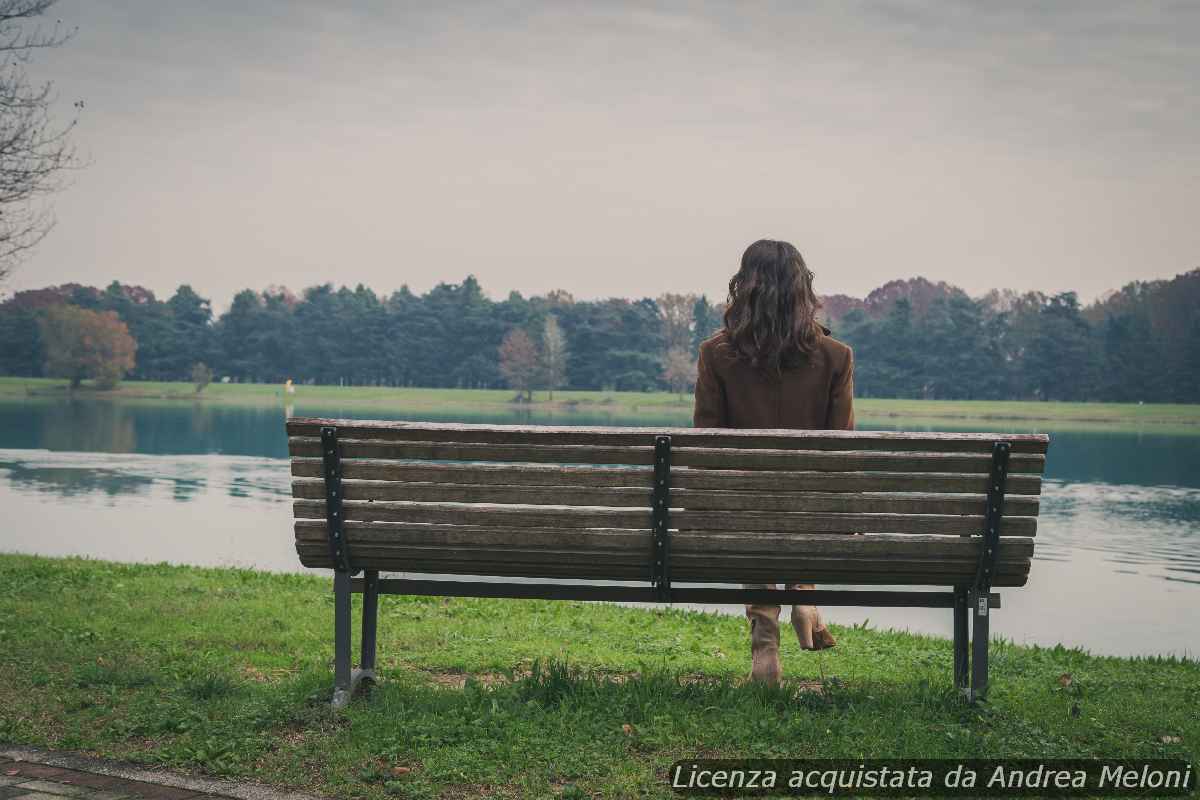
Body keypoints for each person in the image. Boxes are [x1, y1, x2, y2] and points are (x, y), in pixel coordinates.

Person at [692, 239, 855, 685]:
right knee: (801, 501)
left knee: (751, 506)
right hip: (810, 518)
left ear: (743, 288)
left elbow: (706, 452)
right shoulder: (836, 357)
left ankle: (766, 646)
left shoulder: (715, 355)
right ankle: (803, 590)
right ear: (803, 290)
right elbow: (841, 456)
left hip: (742, 515)